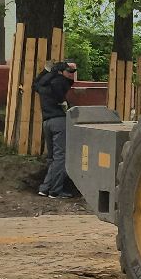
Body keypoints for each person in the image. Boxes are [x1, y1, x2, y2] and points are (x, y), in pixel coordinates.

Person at [35, 60, 80, 199]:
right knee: (61, 157)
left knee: (53, 158)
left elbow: (36, 84)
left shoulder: (42, 85)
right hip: (59, 122)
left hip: (47, 122)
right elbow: (65, 85)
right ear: (61, 72)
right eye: (69, 72)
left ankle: (45, 188)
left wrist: (49, 71)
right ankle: (56, 191)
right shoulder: (59, 82)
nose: (71, 74)